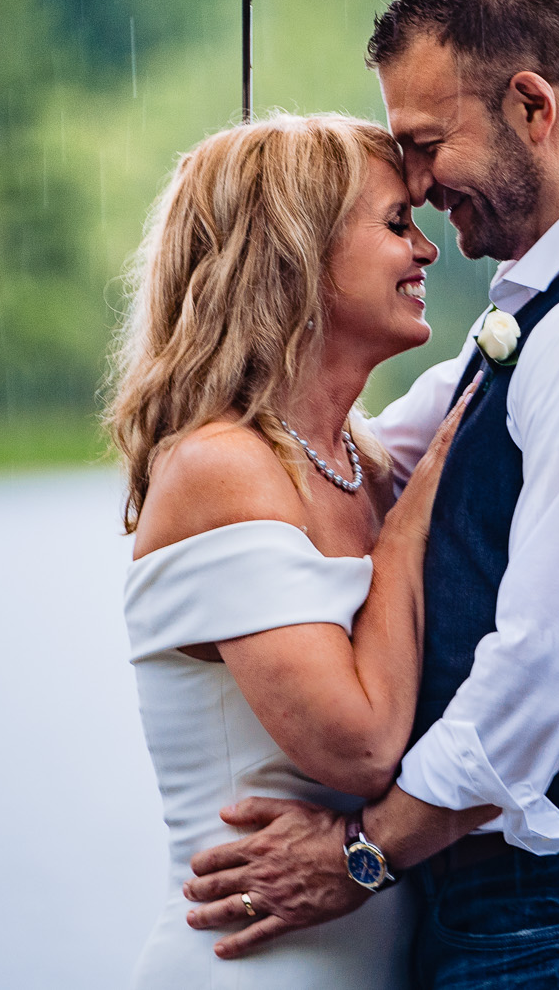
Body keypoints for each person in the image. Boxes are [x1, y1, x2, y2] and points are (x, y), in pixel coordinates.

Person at [178, 0, 559, 990]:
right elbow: (364, 461)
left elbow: (554, 667)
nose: (415, 179)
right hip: (548, 906)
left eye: (425, 142)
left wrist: (365, 852)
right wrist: (265, 273)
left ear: (531, 105)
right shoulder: (548, 315)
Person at [113, 113, 477, 989]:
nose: (427, 251)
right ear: (297, 254)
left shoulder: (370, 462)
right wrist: (413, 526)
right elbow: (357, 748)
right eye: (396, 224)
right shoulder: (219, 467)